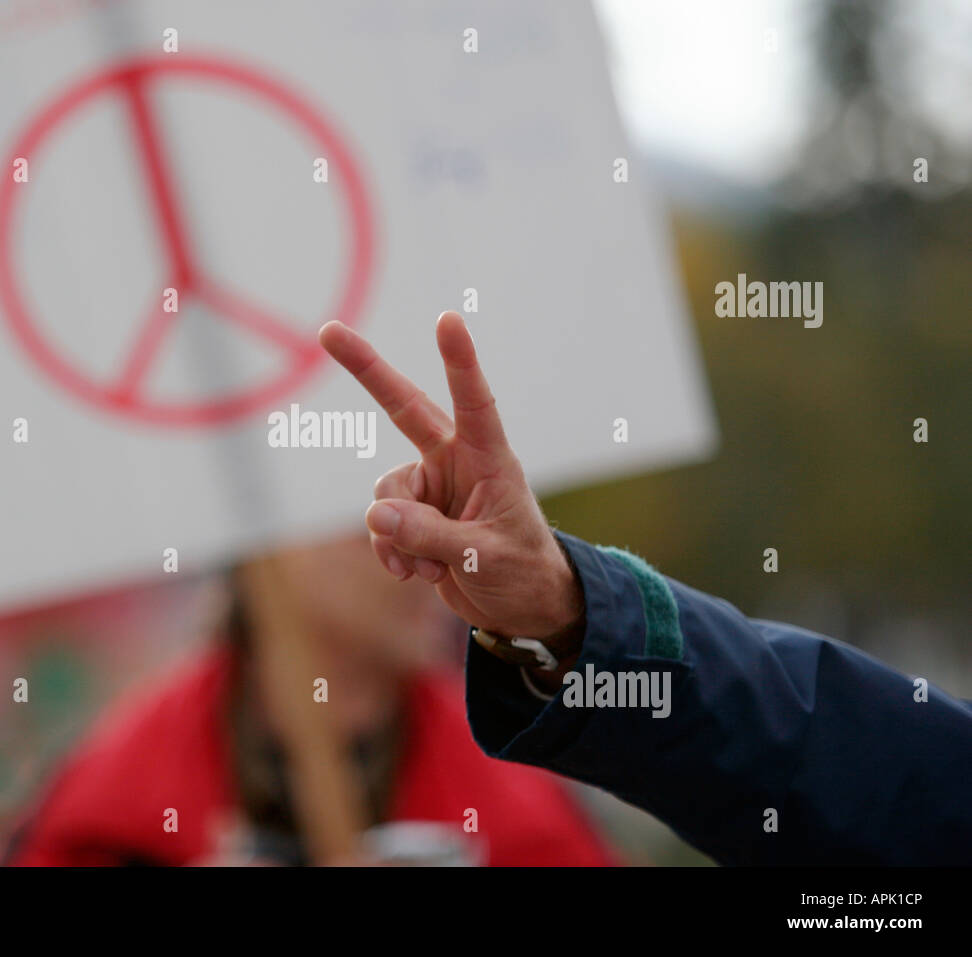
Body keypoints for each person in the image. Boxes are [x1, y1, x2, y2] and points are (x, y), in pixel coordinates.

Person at [316, 311, 972, 866]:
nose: (397, 542)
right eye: (355, 518)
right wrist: (566, 608)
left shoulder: (516, 805)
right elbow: (864, 769)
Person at [2, 528, 615, 866]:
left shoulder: (518, 788)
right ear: (280, 551)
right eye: (379, 529)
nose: (435, 558)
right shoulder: (109, 794)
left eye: (436, 516)